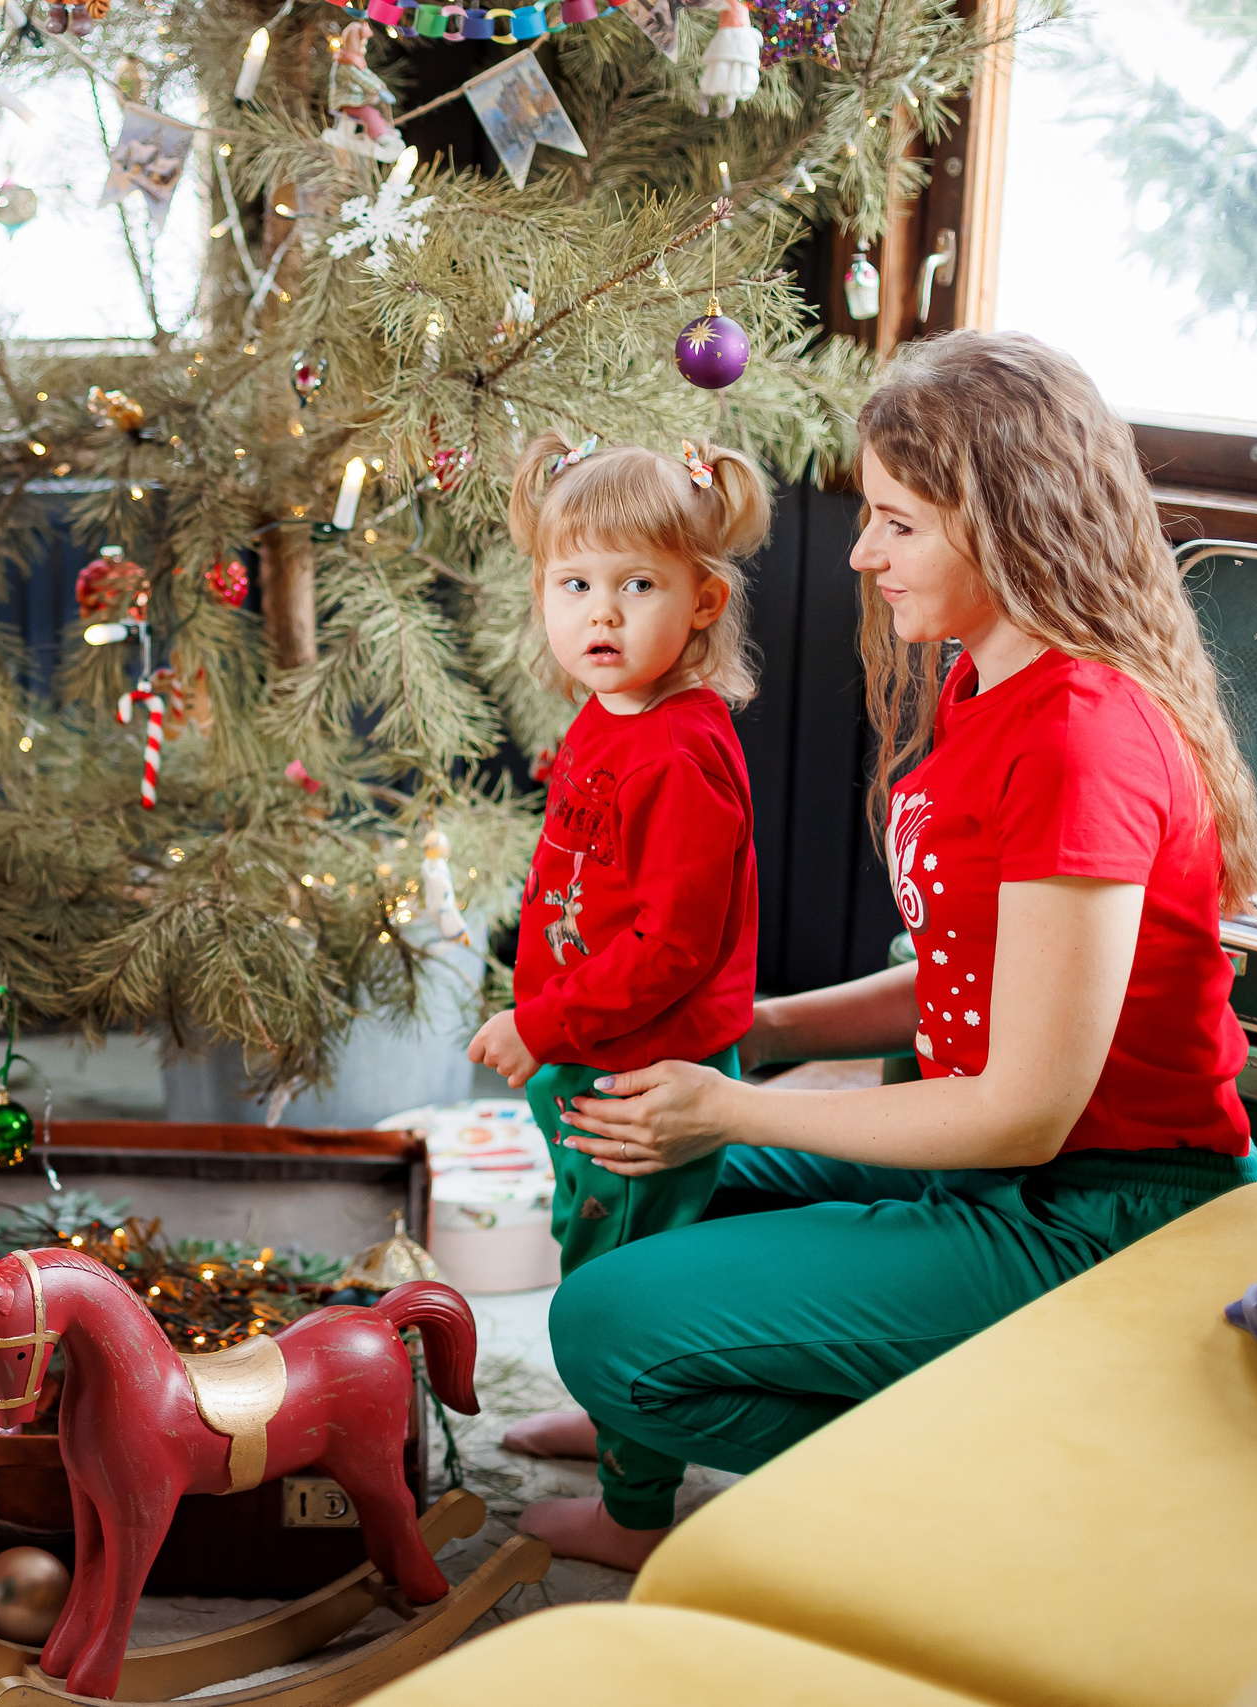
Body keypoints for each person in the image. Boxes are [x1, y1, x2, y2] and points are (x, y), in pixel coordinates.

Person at [503, 331, 1257, 1570]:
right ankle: (640, 1425)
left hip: (1094, 1216)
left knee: (605, 1319)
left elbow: (1021, 1111)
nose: (861, 553)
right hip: (1004, 1177)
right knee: (623, 1167)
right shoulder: (986, 684)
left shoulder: (1081, 737)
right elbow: (978, 970)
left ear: (1009, 521)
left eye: (896, 523)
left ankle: (999, 1462)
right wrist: (763, 1031)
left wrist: (737, 1112)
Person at [467, 433, 771, 1548]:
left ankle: (636, 1508)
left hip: (641, 1076)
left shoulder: (681, 752)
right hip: (589, 1059)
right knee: (584, 1240)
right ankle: (609, 1420)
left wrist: (538, 1021)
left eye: (636, 585)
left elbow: (668, 948)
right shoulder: (610, 716)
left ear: (701, 601)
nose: (600, 613)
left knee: (625, 1270)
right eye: (573, 584)